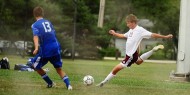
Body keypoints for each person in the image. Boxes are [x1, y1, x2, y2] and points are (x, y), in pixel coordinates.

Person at [96, 14, 173, 87]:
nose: (127, 25)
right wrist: (114, 33)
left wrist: (165, 37)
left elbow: (153, 35)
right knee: (139, 62)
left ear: (133, 23)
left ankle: (103, 82)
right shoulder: (131, 30)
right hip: (133, 54)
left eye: (128, 23)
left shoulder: (140, 30)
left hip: (130, 56)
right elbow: (123, 35)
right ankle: (153, 50)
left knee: (116, 69)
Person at [31, 6, 72, 90]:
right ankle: (69, 85)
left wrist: (36, 48)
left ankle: (50, 83)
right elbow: (53, 33)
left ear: (34, 15)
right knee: (59, 69)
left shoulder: (35, 25)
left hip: (46, 49)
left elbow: (35, 36)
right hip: (55, 47)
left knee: (35, 66)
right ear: (43, 13)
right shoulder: (48, 22)